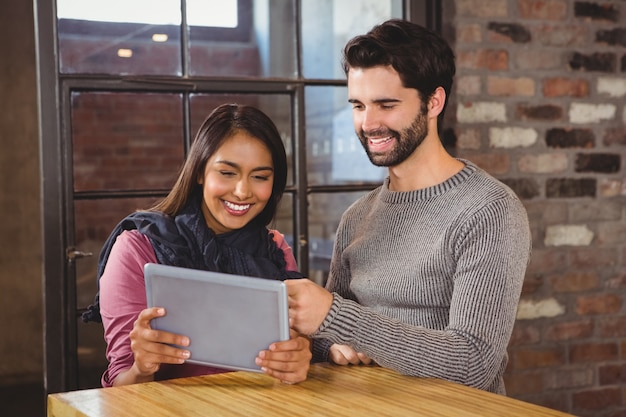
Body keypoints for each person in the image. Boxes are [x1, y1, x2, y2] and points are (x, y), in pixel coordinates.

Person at [285, 19, 531, 395]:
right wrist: (332, 344)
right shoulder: (356, 218)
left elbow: (474, 363)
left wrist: (341, 320)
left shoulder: (488, 210)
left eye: (387, 104)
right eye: (358, 105)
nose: (368, 123)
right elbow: (323, 338)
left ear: (433, 102)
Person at [83, 103, 311, 387]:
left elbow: (297, 349)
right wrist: (141, 367)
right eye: (227, 173)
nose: (242, 191)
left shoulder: (275, 249)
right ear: (200, 172)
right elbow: (120, 388)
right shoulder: (138, 248)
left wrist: (298, 359)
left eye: (260, 177)